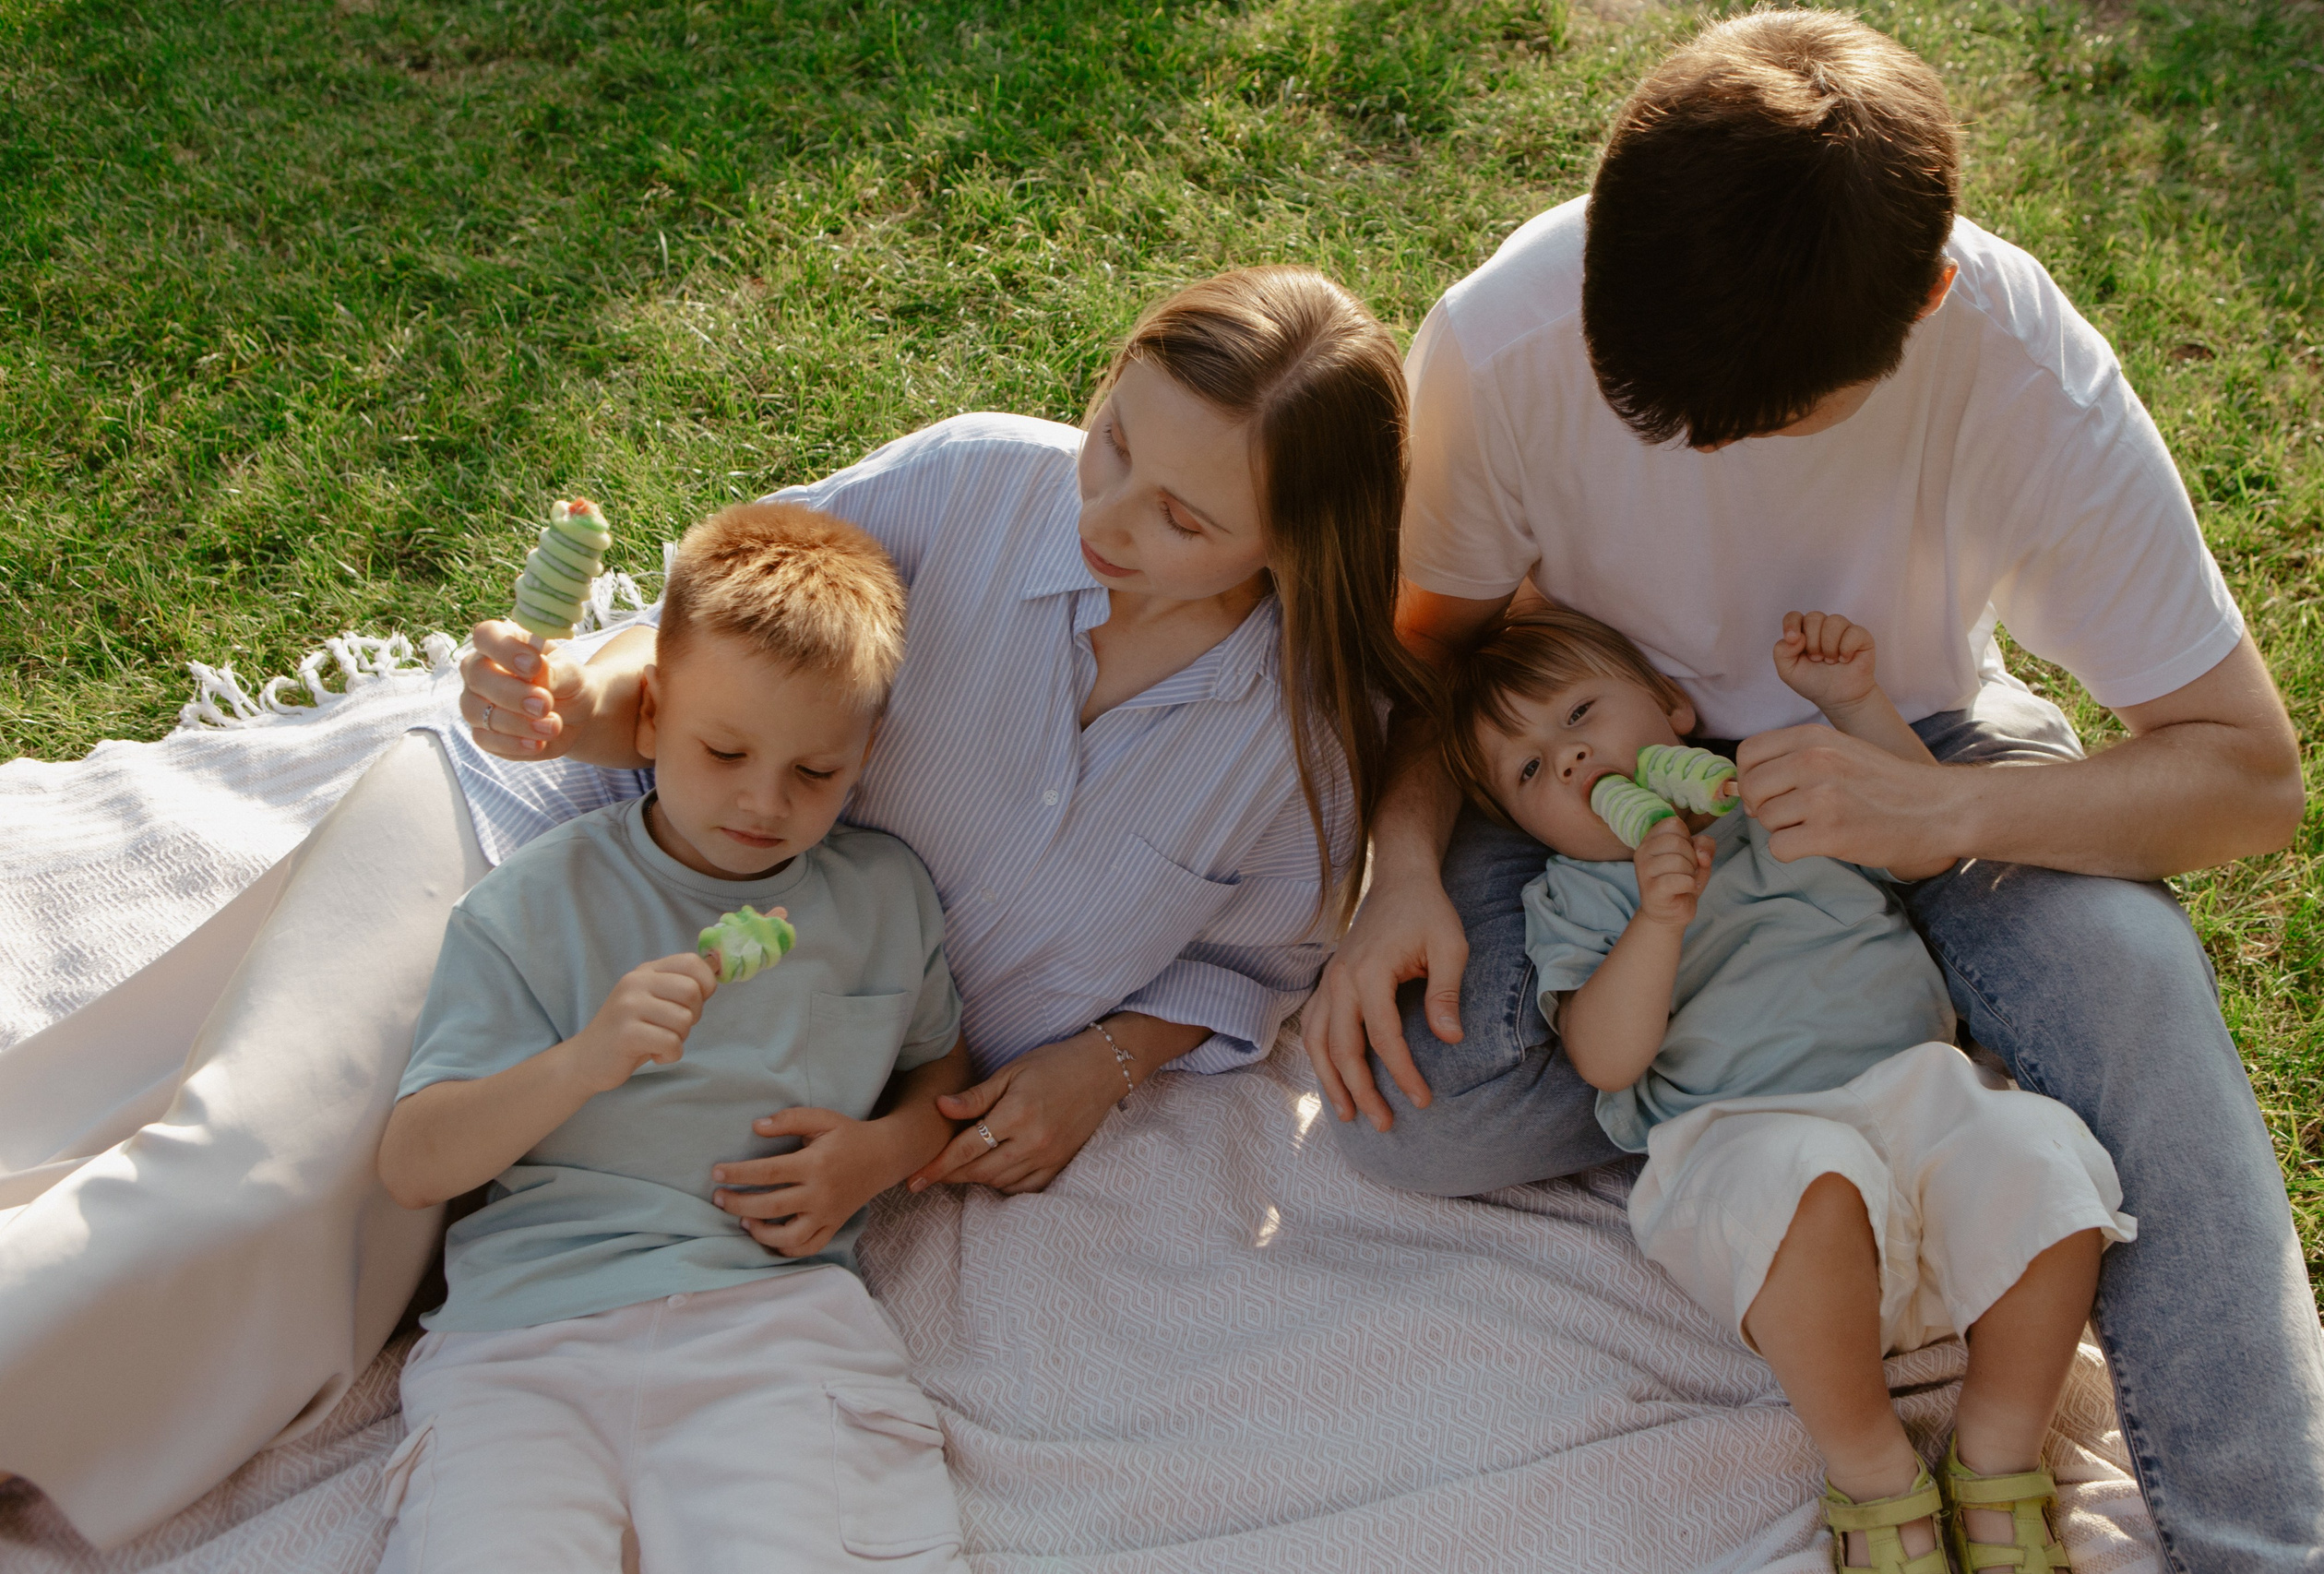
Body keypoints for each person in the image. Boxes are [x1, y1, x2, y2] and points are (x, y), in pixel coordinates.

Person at [0, 265, 1428, 1544]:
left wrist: (1101, 1062)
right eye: (1114, 440)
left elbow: (1259, 952)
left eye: (1182, 515)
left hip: (707, 1085)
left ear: (1294, 545)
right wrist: (563, 712)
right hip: (534, 844)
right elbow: (706, 658)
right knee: (255, 1176)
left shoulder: (1301, 738)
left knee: (340, 1265)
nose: (1105, 514)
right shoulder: (975, 485)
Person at [1302, 10, 2324, 1564]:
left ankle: (2270, 1543)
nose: (1708, 456)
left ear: (1925, 301)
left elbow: (2252, 777)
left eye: (1768, 425)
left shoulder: (2015, 362)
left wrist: (1947, 813)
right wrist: (1402, 868)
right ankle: (1839, 1052)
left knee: (2134, 1000)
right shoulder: (1512, 332)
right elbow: (1426, 668)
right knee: (1418, 1108)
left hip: (1916, 745)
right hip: (1590, 779)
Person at [1446, 602, 2131, 1571]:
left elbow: (1923, 846)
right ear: (1521, 824)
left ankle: (1997, 1446)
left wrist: (1853, 704)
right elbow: (1604, 1056)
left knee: (2046, 1159)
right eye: (1527, 770)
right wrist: (1655, 922)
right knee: (1806, 1180)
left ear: (1673, 707)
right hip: (1740, 1133)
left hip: (1915, 1090)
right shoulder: (1575, 894)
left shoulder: (1781, 797)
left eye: (1579, 714)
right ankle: (1874, 1469)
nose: (1564, 759)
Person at [375, 504, 968, 1571]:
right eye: (724, 749)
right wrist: (583, 1059)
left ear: (867, 752)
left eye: (815, 772)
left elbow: (940, 1065)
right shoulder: (534, 906)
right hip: (523, 1339)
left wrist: (883, 1151)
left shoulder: (888, 897)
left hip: (776, 1329)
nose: (762, 801)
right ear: (647, 716)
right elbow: (416, 1163)